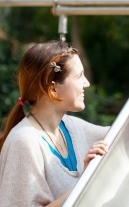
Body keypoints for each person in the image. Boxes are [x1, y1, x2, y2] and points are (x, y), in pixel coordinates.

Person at [0, 40, 109, 207]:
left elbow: (126, 133)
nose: (86, 83)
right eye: (79, 76)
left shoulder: (71, 126)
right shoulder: (24, 142)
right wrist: (84, 181)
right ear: (53, 89)